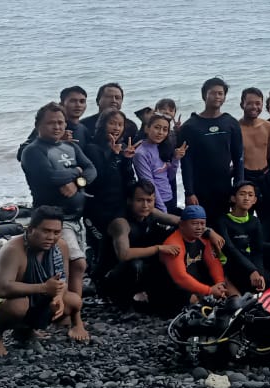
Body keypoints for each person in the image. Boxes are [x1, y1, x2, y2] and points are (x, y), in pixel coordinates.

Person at [0, 205, 87, 356]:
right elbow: (0, 289)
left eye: (56, 232)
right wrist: (44, 288)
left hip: (32, 296)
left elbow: (61, 282)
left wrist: (58, 296)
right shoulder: (13, 250)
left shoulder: (60, 247)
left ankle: (25, 331)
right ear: (31, 229)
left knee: (73, 300)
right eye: (46, 231)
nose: (51, 237)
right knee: (19, 304)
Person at [19, 103, 96, 303]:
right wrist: (76, 172)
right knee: (75, 263)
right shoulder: (33, 150)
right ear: (38, 126)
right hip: (53, 220)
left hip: (77, 218)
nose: (57, 127)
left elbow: (91, 169)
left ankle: (72, 307)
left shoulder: (70, 147)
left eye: (60, 122)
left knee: (75, 265)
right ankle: (66, 309)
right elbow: (50, 176)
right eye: (51, 123)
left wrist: (78, 182)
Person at [98, 181, 178, 311]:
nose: (145, 205)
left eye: (149, 200)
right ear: (129, 201)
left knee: (173, 233)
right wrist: (158, 248)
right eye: (140, 200)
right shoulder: (121, 223)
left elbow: (182, 222)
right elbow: (124, 255)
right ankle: (124, 301)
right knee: (136, 265)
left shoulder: (151, 212)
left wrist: (209, 232)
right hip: (111, 275)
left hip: (140, 266)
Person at [179, 77, 245, 226]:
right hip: (199, 188)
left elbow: (238, 157)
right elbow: (186, 162)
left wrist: (238, 188)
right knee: (199, 227)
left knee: (223, 227)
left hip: (224, 187)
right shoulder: (190, 126)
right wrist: (189, 192)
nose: (217, 97)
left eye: (220, 93)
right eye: (213, 93)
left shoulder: (231, 123)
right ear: (204, 95)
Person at [159, 205, 234, 309]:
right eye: (194, 224)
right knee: (192, 298)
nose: (199, 227)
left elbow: (214, 263)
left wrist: (220, 283)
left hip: (195, 282)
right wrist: (209, 291)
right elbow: (180, 278)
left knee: (226, 280)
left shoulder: (203, 238)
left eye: (202, 224)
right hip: (173, 286)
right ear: (182, 225)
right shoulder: (174, 243)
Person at [82, 109, 138, 239]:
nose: (116, 128)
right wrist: (114, 155)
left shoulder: (122, 147)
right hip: (98, 208)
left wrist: (127, 159)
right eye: (112, 123)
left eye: (120, 124)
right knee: (100, 248)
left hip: (118, 206)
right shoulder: (92, 149)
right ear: (102, 125)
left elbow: (128, 178)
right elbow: (99, 181)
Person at [16, 85, 90, 159]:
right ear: (61, 104)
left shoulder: (82, 129)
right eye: (73, 101)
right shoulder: (51, 126)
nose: (78, 105)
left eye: (82, 101)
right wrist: (57, 141)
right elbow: (21, 154)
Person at [218, 181, 266, 293]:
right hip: (229, 267)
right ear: (233, 198)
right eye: (242, 194)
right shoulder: (223, 221)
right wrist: (252, 271)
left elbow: (258, 252)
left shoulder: (255, 221)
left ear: (254, 200)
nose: (246, 198)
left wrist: (260, 274)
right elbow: (230, 249)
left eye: (250, 195)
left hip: (247, 266)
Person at [134, 113, 187, 214]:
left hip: (169, 198)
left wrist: (176, 159)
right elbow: (149, 183)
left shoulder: (162, 148)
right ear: (147, 129)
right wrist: (163, 210)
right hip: (155, 203)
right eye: (157, 128)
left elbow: (170, 177)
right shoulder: (141, 153)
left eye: (165, 129)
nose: (160, 132)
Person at [238, 88, 270, 203]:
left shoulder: (268, 126)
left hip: (265, 175)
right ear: (242, 104)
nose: (254, 107)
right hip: (245, 177)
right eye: (249, 103)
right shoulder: (236, 128)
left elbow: (268, 152)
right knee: (244, 216)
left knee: (269, 216)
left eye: (258, 103)